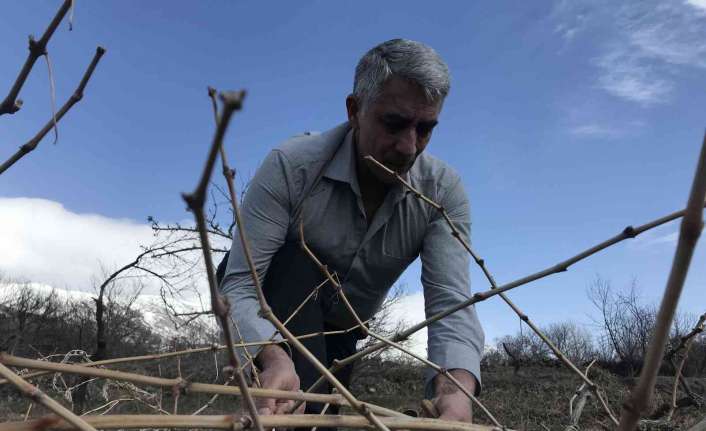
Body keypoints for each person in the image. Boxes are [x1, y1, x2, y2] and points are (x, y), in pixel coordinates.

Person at [217, 38, 484, 424]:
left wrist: (454, 392)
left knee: (325, 418)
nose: (409, 147)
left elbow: (450, 304)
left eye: (425, 129)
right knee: (295, 406)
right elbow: (240, 284)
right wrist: (271, 356)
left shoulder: (442, 193)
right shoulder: (291, 167)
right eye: (394, 124)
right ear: (355, 110)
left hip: (346, 331)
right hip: (273, 312)